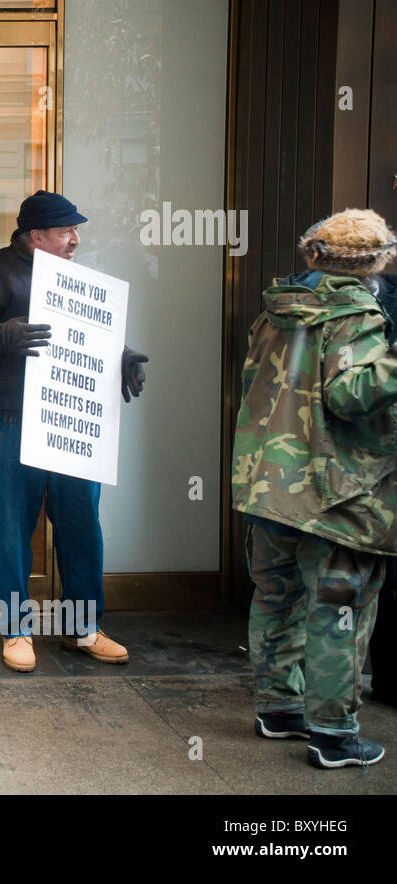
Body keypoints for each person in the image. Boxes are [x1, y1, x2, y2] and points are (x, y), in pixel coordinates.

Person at [0, 190, 148, 672]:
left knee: (81, 527)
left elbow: (88, 344)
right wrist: (1, 336)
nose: (75, 240)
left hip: (68, 423)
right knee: (11, 530)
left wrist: (122, 360)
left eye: (76, 231)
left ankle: (84, 628)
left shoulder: (80, 278)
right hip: (8, 424)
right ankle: (16, 630)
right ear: (36, 236)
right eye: (65, 232)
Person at [233, 208, 397, 768]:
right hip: (336, 493)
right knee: (339, 610)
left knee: (277, 597)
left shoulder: (278, 309)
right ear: (375, 261)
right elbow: (352, 395)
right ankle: (334, 735)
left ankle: (279, 709)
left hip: (270, 484)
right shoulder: (355, 313)